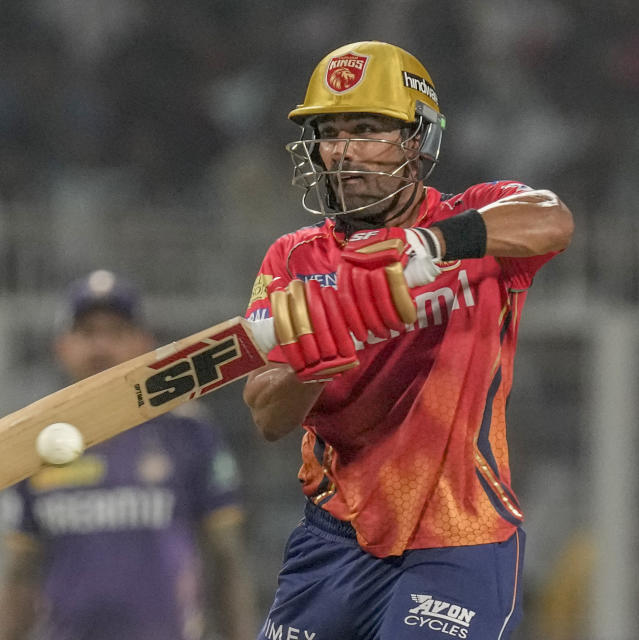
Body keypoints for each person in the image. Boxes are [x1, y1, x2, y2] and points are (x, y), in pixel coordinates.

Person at [242, 41, 574, 639]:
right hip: (333, 539)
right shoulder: (294, 257)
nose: (344, 152)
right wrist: (310, 369)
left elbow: (553, 217)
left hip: (461, 536)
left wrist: (430, 246)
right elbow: (267, 415)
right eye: (331, 132)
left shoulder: (474, 220)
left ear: (417, 140)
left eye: (368, 129)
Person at [0, 269, 256, 640]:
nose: (101, 348)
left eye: (116, 333)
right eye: (87, 333)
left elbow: (225, 561)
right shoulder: (37, 441)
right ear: (62, 347)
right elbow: (19, 573)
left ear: (144, 344)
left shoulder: (188, 431)